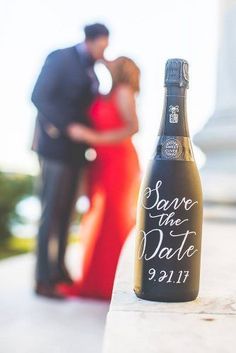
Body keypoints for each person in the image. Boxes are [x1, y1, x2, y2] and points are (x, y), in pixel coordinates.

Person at [31, 23, 109, 299]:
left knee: (66, 214)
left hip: (77, 153)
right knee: (51, 214)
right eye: (103, 45)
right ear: (92, 40)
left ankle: (59, 271)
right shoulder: (60, 58)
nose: (105, 51)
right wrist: (68, 128)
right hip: (55, 149)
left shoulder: (92, 70)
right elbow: (39, 96)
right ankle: (43, 280)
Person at [58, 57, 141, 300]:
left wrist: (91, 136)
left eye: (115, 60)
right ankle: (96, 282)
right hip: (101, 163)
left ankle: (111, 284)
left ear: (123, 68)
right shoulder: (107, 91)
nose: (108, 61)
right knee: (98, 216)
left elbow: (133, 127)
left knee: (114, 217)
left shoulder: (124, 91)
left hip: (120, 162)